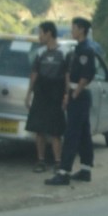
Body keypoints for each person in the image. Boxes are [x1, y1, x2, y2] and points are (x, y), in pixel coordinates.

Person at [45, 17, 96, 186]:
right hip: (75, 93)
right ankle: (86, 169)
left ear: (81, 30)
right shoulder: (78, 49)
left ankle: (64, 172)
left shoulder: (86, 50)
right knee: (83, 134)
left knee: (72, 134)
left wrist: (75, 94)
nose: (71, 31)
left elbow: (86, 75)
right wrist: (68, 94)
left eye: (73, 28)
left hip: (80, 95)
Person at [25, 21, 66, 172]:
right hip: (41, 93)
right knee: (39, 129)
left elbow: (67, 75)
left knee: (55, 131)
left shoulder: (64, 52)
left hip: (56, 93)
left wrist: (66, 94)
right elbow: (34, 73)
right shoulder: (40, 52)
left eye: (41, 33)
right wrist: (29, 93)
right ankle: (40, 161)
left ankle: (58, 162)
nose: (39, 36)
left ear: (49, 33)